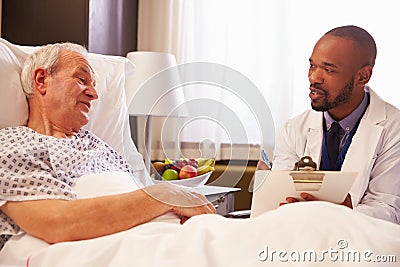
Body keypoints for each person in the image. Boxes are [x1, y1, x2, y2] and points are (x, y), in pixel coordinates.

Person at [0, 43, 216, 250]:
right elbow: (58, 222)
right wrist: (166, 194)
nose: (94, 94)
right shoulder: (13, 145)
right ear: (41, 80)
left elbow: (134, 197)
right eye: (82, 79)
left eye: (94, 85)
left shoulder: (99, 146)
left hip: (165, 234)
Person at [265, 25, 400, 224]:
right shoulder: (293, 129)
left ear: (363, 76)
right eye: (312, 66)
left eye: (328, 70)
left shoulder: (393, 128)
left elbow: (389, 211)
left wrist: (344, 215)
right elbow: (279, 202)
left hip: (364, 247)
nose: (314, 78)